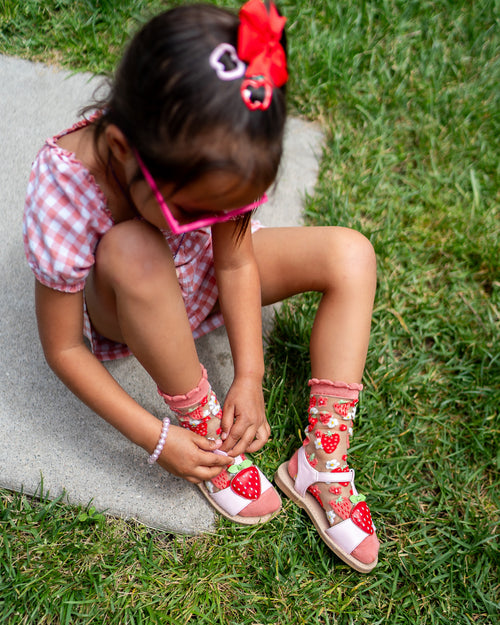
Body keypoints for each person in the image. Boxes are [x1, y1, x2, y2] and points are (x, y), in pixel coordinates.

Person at [23, 0, 379, 572]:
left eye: (229, 207)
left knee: (351, 255)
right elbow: (64, 347)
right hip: (133, 305)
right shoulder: (64, 190)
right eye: (196, 212)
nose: (215, 220)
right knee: (133, 246)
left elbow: (236, 263)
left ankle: (320, 459)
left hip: (205, 279)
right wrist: (158, 439)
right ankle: (206, 429)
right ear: (121, 150)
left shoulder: (211, 151)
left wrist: (250, 373)